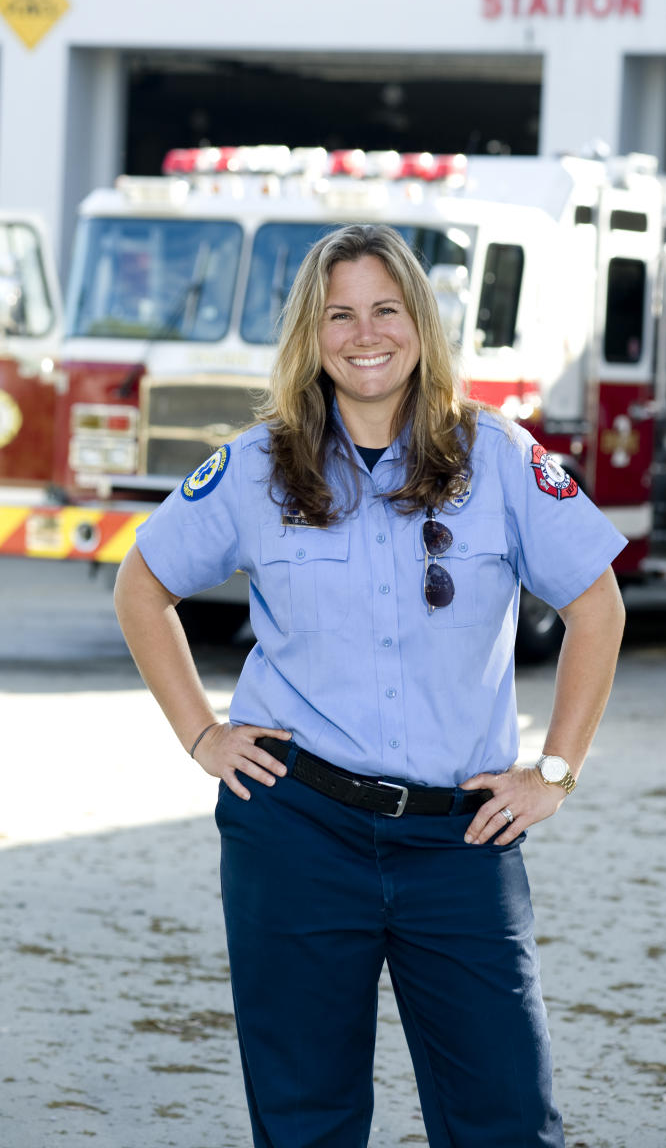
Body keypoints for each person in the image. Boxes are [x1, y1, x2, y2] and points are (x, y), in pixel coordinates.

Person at [114, 223, 627, 1148]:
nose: (364, 333)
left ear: (421, 326)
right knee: (307, 1119)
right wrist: (202, 736)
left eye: (386, 309)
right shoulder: (256, 466)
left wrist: (554, 772)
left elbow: (598, 604)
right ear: (311, 336)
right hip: (297, 831)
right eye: (338, 313)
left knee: (508, 1120)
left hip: (461, 835)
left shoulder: (501, 457)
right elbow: (141, 586)